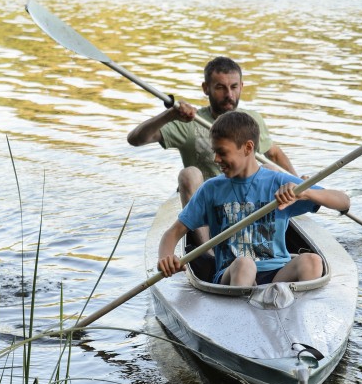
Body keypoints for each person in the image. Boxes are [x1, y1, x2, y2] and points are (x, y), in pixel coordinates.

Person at [157, 112, 350, 287]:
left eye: (222, 152)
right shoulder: (211, 190)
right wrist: (165, 258)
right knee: (244, 264)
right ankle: (242, 317)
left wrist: (306, 193)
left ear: (248, 147)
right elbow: (172, 234)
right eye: (214, 151)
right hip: (233, 275)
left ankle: (304, 318)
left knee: (312, 260)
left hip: (278, 275)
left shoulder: (277, 181)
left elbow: (343, 202)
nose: (216, 159)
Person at [127, 56, 297, 209]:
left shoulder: (252, 119)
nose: (229, 94)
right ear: (206, 88)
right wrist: (169, 115)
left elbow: (274, 154)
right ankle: (206, 244)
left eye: (234, 87)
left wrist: (300, 184)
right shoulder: (188, 122)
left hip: (246, 200)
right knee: (189, 174)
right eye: (220, 88)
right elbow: (135, 139)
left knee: (270, 169)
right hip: (208, 204)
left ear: (242, 87)